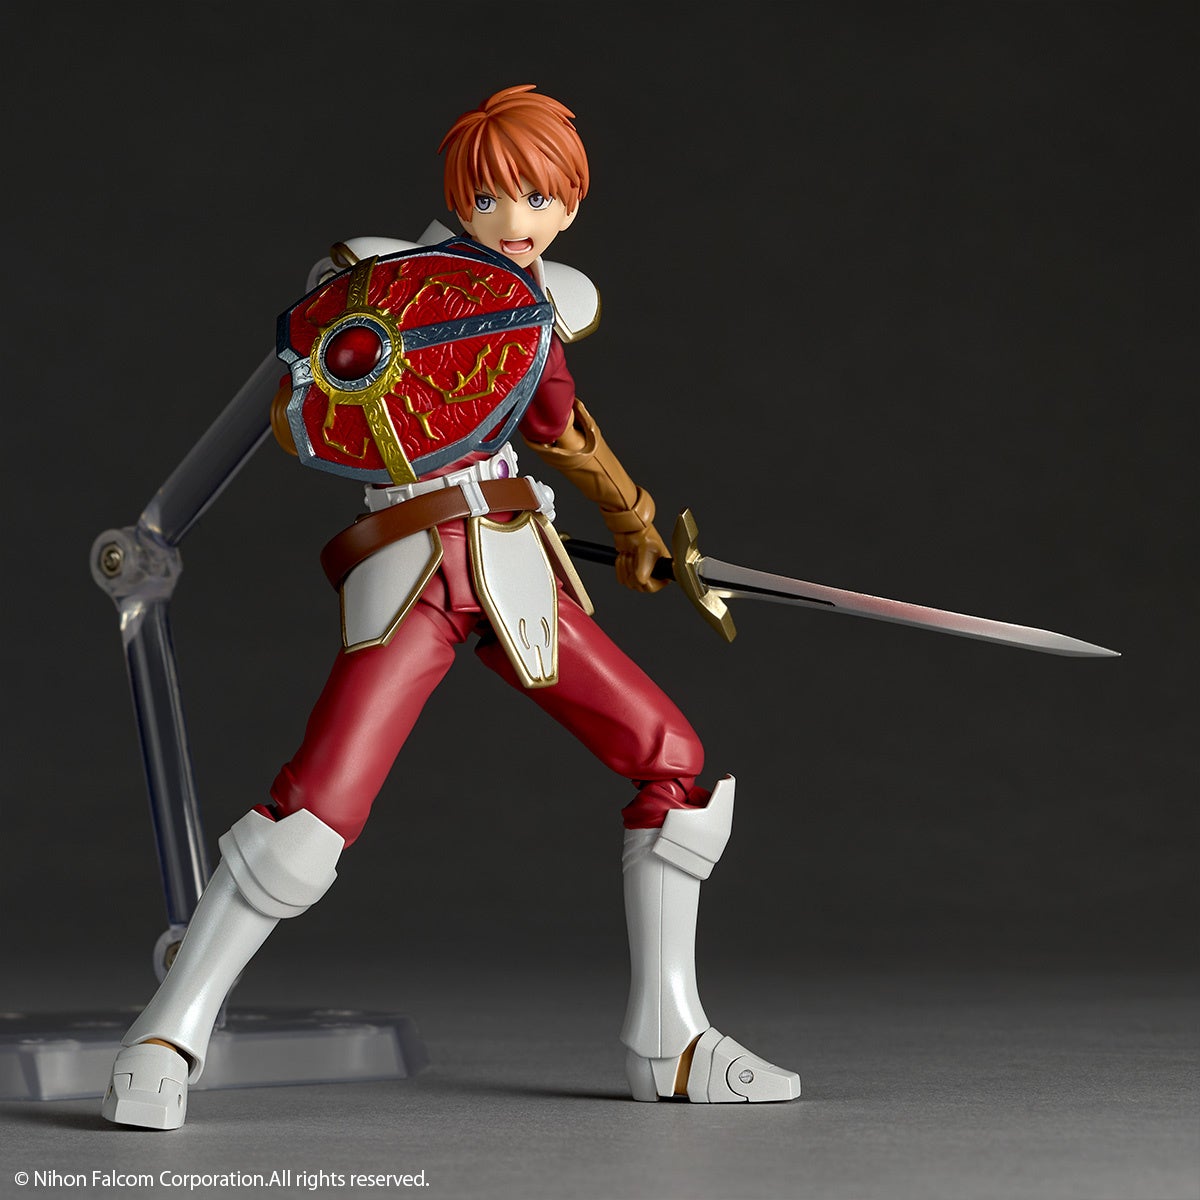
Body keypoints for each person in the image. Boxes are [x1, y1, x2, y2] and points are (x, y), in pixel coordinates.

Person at [103, 85, 799, 1131]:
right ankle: (165, 1036)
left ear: (570, 203)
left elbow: (561, 428)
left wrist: (639, 524)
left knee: (674, 766)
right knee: (314, 814)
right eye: (491, 197)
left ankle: (673, 1042)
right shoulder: (383, 280)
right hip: (416, 567)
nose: (516, 218)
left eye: (539, 197)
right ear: (458, 197)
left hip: (516, 561)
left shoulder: (540, 304)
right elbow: (313, 397)